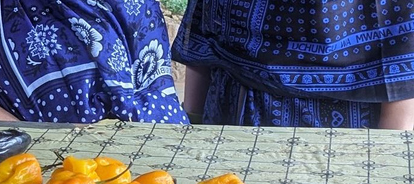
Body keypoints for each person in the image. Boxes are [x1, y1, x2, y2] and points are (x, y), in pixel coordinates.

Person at [0, 0, 188, 124]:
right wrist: (40, 148)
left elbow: (155, 93)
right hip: (29, 169)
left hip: (141, 158)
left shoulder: (131, 3)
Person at [172, 0, 414, 129]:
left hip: (341, 138)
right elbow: (202, 32)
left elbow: (401, 67)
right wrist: (193, 124)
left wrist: (386, 157)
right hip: (230, 114)